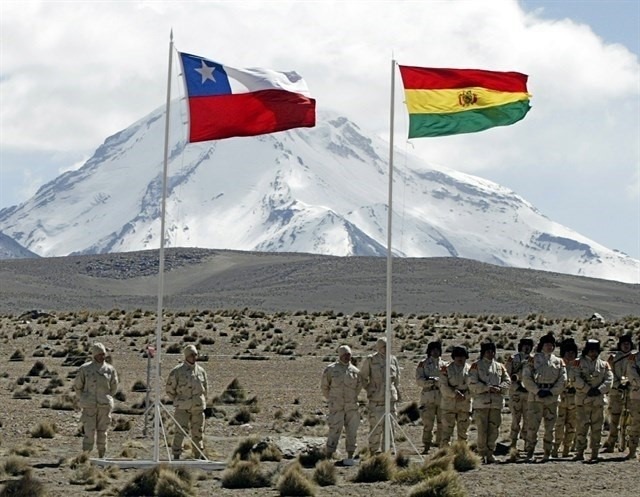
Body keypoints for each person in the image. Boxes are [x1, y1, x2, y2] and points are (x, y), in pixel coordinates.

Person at [522, 333, 566, 461]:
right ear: (542, 346)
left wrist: (552, 391)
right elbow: (526, 377)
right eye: (547, 344)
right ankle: (529, 452)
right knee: (532, 427)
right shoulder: (533, 359)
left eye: (552, 345)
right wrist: (536, 390)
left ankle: (547, 452)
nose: (549, 347)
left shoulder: (558, 361)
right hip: (535, 398)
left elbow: (563, 379)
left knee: (550, 427)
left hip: (551, 398)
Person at [73, 342, 119, 458]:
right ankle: (86, 456)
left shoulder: (109, 370)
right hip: (89, 406)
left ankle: (101, 456)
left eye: (103, 354)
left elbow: (114, 386)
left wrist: (106, 397)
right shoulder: (85, 369)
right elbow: (78, 386)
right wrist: (84, 398)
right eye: (99, 354)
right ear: (94, 355)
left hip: (104, 406)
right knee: (89, 432)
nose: (101, 356)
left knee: (102, 432)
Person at [469, 341, 511, 464]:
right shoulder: (476, 366)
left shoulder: (499, 366)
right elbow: (472, 383)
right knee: (482, 430)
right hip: (482, 403)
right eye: (488, 351)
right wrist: (486, 388)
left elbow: (507, 380)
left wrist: (500, 388)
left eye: (492, 351)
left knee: (494, 430)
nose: (491, 354)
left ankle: (490, 453)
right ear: (483, 352)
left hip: (496, 403)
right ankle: (481, 454)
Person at [573, 339, 613, 462]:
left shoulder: (604, 364)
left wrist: (599, 390)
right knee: (581, 427)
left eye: (595, 351)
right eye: (590, 350)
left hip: (598, 401)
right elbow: (574, 378)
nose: (593, 353)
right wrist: (587, 389)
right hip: (583, 400)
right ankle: (580, 452)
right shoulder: (578, 363)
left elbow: (609, 379)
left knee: (597, 427)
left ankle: (595, 452)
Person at [321, 344, 362, 464]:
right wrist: (332, 399)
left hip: (351, 407)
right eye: (344, 355)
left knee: (352, 432)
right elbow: (325, 387)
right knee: (334, 430)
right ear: (340, 355)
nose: (347, 357)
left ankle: (350, 456)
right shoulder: (331, 370)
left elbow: (358, 388)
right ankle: (329, 455)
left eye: (349, 355)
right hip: (337, 407)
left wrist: (351, 398)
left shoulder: (355, 371)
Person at [166, 344, 208, 460]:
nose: (194, 357)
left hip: (197, 408)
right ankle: (176, 455)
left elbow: (205, 389)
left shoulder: (201, 371)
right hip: (182, 408)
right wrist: (178, 401)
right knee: (180, 432)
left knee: (198, 433)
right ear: (186, 356)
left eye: (195, 354)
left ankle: (198, 455)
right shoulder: (177, 371)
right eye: (191, 355)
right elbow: (169, 389)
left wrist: (202, 400)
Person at [359, 337, 401, 453]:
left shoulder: (393, 360)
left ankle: (386, 454)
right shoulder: (371, 360)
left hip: (390, 400)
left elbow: (397, 379)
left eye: (387, 347)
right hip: (377, 401)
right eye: (383, 347)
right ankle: (373, 451)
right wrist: (369, 389)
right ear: (379, 347)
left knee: (390, 429)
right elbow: (362, 377)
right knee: (376, 428)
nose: (386, 349)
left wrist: (396, 391)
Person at [603, 333, 633, 452]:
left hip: (631, 392)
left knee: (629, 419)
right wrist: (617, 384)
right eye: (624, 344)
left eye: (628, 344)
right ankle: (611, 441)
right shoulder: (613, 358)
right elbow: (609, 373)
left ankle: (626, 443)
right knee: (614, 418)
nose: (626, 346)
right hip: (616, 392)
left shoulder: (634, 357)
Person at [415, 341, 446, 453]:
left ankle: (441, 445)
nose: (435, 352)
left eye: (437, 349)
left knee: (442, 423)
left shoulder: (445, 365)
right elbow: (419, 380)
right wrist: (430, 382)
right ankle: (426, 445)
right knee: (428, 423)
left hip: (442, 396)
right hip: (428, 396)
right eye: (433, 349)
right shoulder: (423, 364)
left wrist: (440, 382)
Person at [439, 346, 471, 447]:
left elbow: (474, 387)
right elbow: (443, 386)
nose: (460, 358)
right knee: (446, 432)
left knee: (463, 433)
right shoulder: (446, 369)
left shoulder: (471, 370)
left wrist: (465, 396)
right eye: (457, 356)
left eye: (462, 356)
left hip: (464, 404)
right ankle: (444, 455)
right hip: (449, 404)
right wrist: (454, 394)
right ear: (453, 357)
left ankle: (462, 454)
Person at [505, 337, 534, 449]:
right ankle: (513, 443)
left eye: (529, 346)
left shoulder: (534, 359)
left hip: (529, 393)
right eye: (524, 345)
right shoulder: (513, 359)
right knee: (515, 420)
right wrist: (517, 387)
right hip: (516, 393)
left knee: (528, 420)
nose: (526, 348)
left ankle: (527, 443)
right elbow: (507, 376)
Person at [553, 338, 579, 458]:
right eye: (568, 352)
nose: (570, 355)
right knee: (558, 425)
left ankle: (567, 448)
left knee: (572, 425)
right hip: (560, 399)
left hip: (574, 400)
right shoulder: (557, 365)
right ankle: (555, 447)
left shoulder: (578, 366)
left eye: (572, 352)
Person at [625, 338, 640, 460]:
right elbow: (632, 375)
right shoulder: (633, 358)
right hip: (637, 395)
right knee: (635, 423)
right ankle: (632, 450)